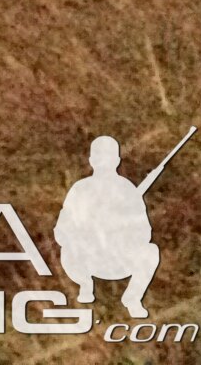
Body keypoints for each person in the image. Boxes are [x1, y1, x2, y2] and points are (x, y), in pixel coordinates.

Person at [53, 135, 160, 318]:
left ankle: (133, 298)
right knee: (68, 250)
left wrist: (122, 227)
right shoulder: (80, 190)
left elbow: (144, 232)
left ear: (117, 160)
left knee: (151, 252)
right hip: (87, 258)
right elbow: (62, 230)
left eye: (108, 157)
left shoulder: (127, 190)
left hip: (118, 258)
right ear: (91, 160)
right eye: (99, 157)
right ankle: (85, 285)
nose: (103, 162)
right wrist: (85, 233)